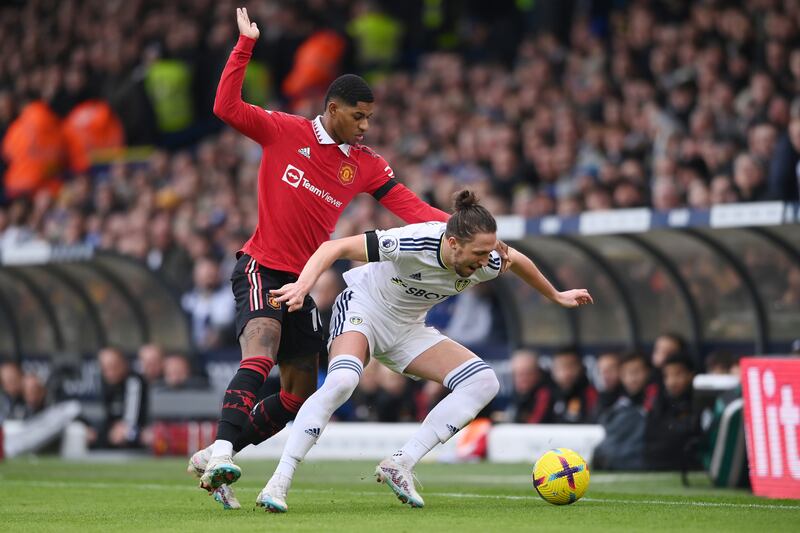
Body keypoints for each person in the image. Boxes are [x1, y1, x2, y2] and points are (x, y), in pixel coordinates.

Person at [193, 8, 508, 504]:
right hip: (261, 264)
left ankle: (217, 451)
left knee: (298, 393)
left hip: (305, 280)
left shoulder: (363, 166)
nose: (365, 126)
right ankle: (222, 451)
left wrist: (471, 235)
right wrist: (244, 47)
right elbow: (226, 107)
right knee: (263, 344)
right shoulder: (284, 131)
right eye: (358, 116)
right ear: (333, 108)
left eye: (370, 118)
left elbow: (411, 209)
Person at [248, 190, 592, 511]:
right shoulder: (414, 240)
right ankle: (279, 481)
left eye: (489, 253)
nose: (485, 262)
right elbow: (331, 248)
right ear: (453, 243)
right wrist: (302, 287)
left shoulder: (488, 260)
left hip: (408, 329)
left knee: (484, 382)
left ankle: (401, 462)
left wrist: (557, 295)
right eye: (478, 254)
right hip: (364, 309)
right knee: (341, 383)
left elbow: (516, 260)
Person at [92, 347, 148, 449]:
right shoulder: (104, 384)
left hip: (135, 430)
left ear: (123, 364)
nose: (110, 372)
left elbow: (132, 418)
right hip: (111, 431)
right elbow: (104, 416)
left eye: (113, 366)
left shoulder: (133, 381)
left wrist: (121, 428)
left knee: (129, 433)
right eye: (105, 368)